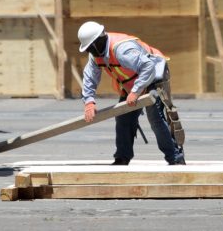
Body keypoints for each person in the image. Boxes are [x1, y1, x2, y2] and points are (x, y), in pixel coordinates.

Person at [78, 21, 185, 165]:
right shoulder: (96, 54)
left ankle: (175, 158)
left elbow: (148, 67)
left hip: (154, 76)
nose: (89, 51)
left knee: (155, 118)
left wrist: (135, 92)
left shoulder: (122, 50)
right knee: (123, 118)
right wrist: (89, 101)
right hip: (133, 83)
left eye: (90, 48)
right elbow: (90, 77)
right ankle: (122, 157)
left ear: (98, 41)